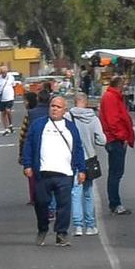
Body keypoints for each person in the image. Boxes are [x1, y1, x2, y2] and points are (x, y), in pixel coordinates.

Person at [20, 92, 87, 246]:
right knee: (41, 203)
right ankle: (42, 229)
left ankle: (61, 233)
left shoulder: (70, 127)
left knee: (64, 205)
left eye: (58, 107)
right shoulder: (38, 125)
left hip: (65, 173)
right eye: (52, 106)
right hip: (43, 172)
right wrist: (27, 164)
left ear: (65, 110)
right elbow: (28, 145)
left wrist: (81, 169)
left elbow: (77, 148)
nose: (54, 109)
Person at [68, 93, 107, 236]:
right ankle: (90, 225)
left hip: (74, 159)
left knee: (75, 192)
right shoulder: (94, 119)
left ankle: (78, 226)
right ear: (86, 102)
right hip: (90, 158)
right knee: (88, 192)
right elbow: (102, 140)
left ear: (74, 102)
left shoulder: (68, 117)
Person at [99, 75, 135, 214]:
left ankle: (115, 202)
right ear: (119, 85)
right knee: (116, 173)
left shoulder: (113, 96)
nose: (125, 87)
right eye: (123, 84)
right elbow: (113, 120)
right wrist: (122, 136)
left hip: (115, 138)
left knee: (116, 172)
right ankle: (115, 203)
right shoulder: (111, 97)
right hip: (115, 139)